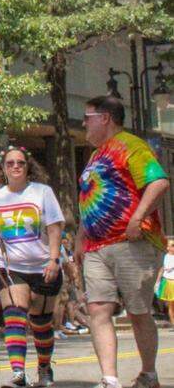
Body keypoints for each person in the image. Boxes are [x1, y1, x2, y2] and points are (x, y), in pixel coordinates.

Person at [77, 95, 169, 388]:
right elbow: (89, 196)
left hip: (132, 243)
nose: (83, 123)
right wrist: (80, 236)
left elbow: (158, 182)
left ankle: (149, 374)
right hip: (96, 246)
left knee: (137, 310)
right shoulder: (95, 156)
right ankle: (109, 378)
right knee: (97, 309)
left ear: (105, 118)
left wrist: (136, 218)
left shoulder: (131, 145)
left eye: (87, 117)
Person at [0, 147, 64, 388]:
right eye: (10, 163)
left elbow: (54, 227)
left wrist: (53, 260)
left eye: (20, 162)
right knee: (14, 316)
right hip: (10, 267)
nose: (16, 166)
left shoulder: (42, 192)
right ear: (3, 168)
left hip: (42, 266)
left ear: (28, 167)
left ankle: (44, 366)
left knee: (41, 322)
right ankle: (18, 373)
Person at [157, 238, 174, 329]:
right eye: (172, 245)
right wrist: (157, 282)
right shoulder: (165, 257)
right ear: (168, 247)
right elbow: (162, 269)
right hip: (168, 281)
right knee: (171, 305)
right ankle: (173, 323)